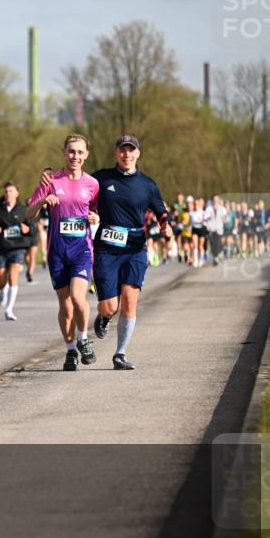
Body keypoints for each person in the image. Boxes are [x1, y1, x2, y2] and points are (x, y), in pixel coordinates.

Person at [89, 136, 173, 369]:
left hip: (135, 248)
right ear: (116, 153)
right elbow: (79, 190)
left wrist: (165, 224)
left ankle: (120, 353)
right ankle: (104, 317)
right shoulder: (101, 178)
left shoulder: (148, 184)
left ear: (138, 154)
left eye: (131, 150)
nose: (127, 155)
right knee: (110, 306)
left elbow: (160, 210)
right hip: (107, 249)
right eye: (123, 150)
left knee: (129, 300)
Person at [27, 134, 100, 371]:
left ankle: (83, 339)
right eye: (71, 151)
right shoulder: (51, 180)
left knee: (78, 298)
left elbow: (96, 211)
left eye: (79, 152)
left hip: (81, 250)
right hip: (57, 250)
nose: (75, 156)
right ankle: (70, 351)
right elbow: (28, 214)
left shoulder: (92, 184)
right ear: (64, 152)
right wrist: (42, 202)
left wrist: (96, 217)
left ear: (86, 155)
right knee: (65, 304)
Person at [0, 181, 31, 321]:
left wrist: (28, 229)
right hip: (2, 248)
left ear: (17, 193)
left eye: (11, 191)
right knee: (0, 282)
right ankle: (3, 289)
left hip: (18, 248)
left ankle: (9, 310)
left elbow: (33, 227)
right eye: (6, 191)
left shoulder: (23, 210)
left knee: (13, 277)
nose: (8, 194)